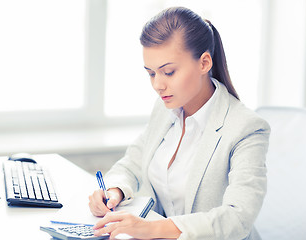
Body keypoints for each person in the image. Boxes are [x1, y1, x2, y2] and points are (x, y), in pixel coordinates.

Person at [89, 6, 270, 240]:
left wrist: (150, 228)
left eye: (169, 72)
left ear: (204, 63)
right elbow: (133, 163)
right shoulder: (167, 109)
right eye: (151, 73)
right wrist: (114, 190)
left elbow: (237, 218)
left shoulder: (246, 128)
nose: (158, 85)